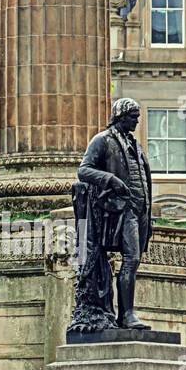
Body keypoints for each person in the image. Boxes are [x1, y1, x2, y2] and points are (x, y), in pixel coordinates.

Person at [71, 97, 154, 333]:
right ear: (120, 117)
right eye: (132, 117)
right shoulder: (103, 140)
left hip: (140, 210)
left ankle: (127, 313)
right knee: (131, 258)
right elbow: (84, 170)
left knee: (134, 260)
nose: (136, 121)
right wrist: (111, 179)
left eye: (137, 117)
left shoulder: (134, 144)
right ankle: (126, 315)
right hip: (120, 210)